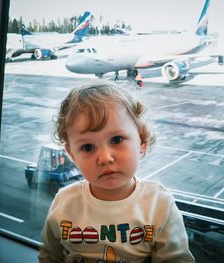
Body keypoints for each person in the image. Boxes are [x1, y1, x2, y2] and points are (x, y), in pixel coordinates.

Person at [39, 80, 195, 263]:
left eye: (116, 139)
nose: (105, 158)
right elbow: (49, 255)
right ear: (72, 155)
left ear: (142, 140)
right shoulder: (64, 202)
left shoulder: (159, 204)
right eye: (88, 147)